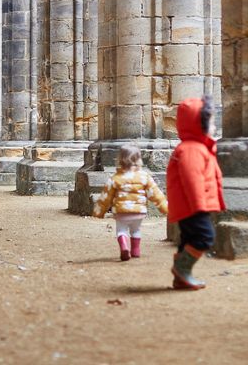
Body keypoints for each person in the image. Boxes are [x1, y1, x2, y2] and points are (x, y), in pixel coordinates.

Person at [166, 96, 226, 290]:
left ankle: (181, 277)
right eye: (211, 122)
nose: (214, 126)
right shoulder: (192, 149)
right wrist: (199, 206)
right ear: (198, 123)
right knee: (204, 238)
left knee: (188, 239)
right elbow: (192, 180)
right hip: (193, 206)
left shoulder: (197, 147)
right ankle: (181, 269)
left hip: (191, 205)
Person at [92, 144, 168, 261]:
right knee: (136, 230)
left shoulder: (115, 178)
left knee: (121, 230)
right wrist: (165, 208)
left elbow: (105, 197)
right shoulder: (144, 177)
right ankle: (135, 251)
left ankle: (124, 247)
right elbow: (155, 194)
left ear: (120, 159)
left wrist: (99, 211)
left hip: (121, 211)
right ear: (138, 159)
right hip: (139, 212)